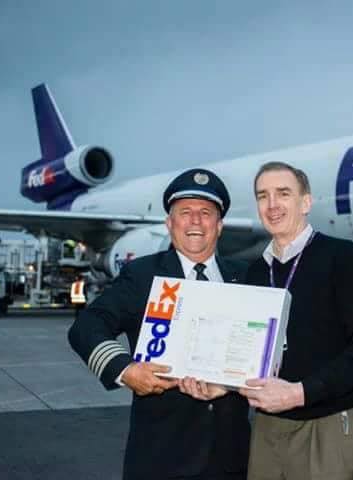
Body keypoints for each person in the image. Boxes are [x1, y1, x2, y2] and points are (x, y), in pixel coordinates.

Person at [68, 168, 250, 480]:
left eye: (206, 213)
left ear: (219, 226)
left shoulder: (245, 277)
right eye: (185, 212)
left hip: (232, 459)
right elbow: (87, 325)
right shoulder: (142, 275)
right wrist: (126, 370)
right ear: (169, 223)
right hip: (161, 459)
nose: (195, 221)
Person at [239, 162, 353, 480]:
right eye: (263, 196)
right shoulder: (256, 271)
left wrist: (299, 393)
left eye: (283, 193)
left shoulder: (343, 258)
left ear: (305, 202)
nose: (272, 204)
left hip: (328, 422)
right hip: (268, 423)